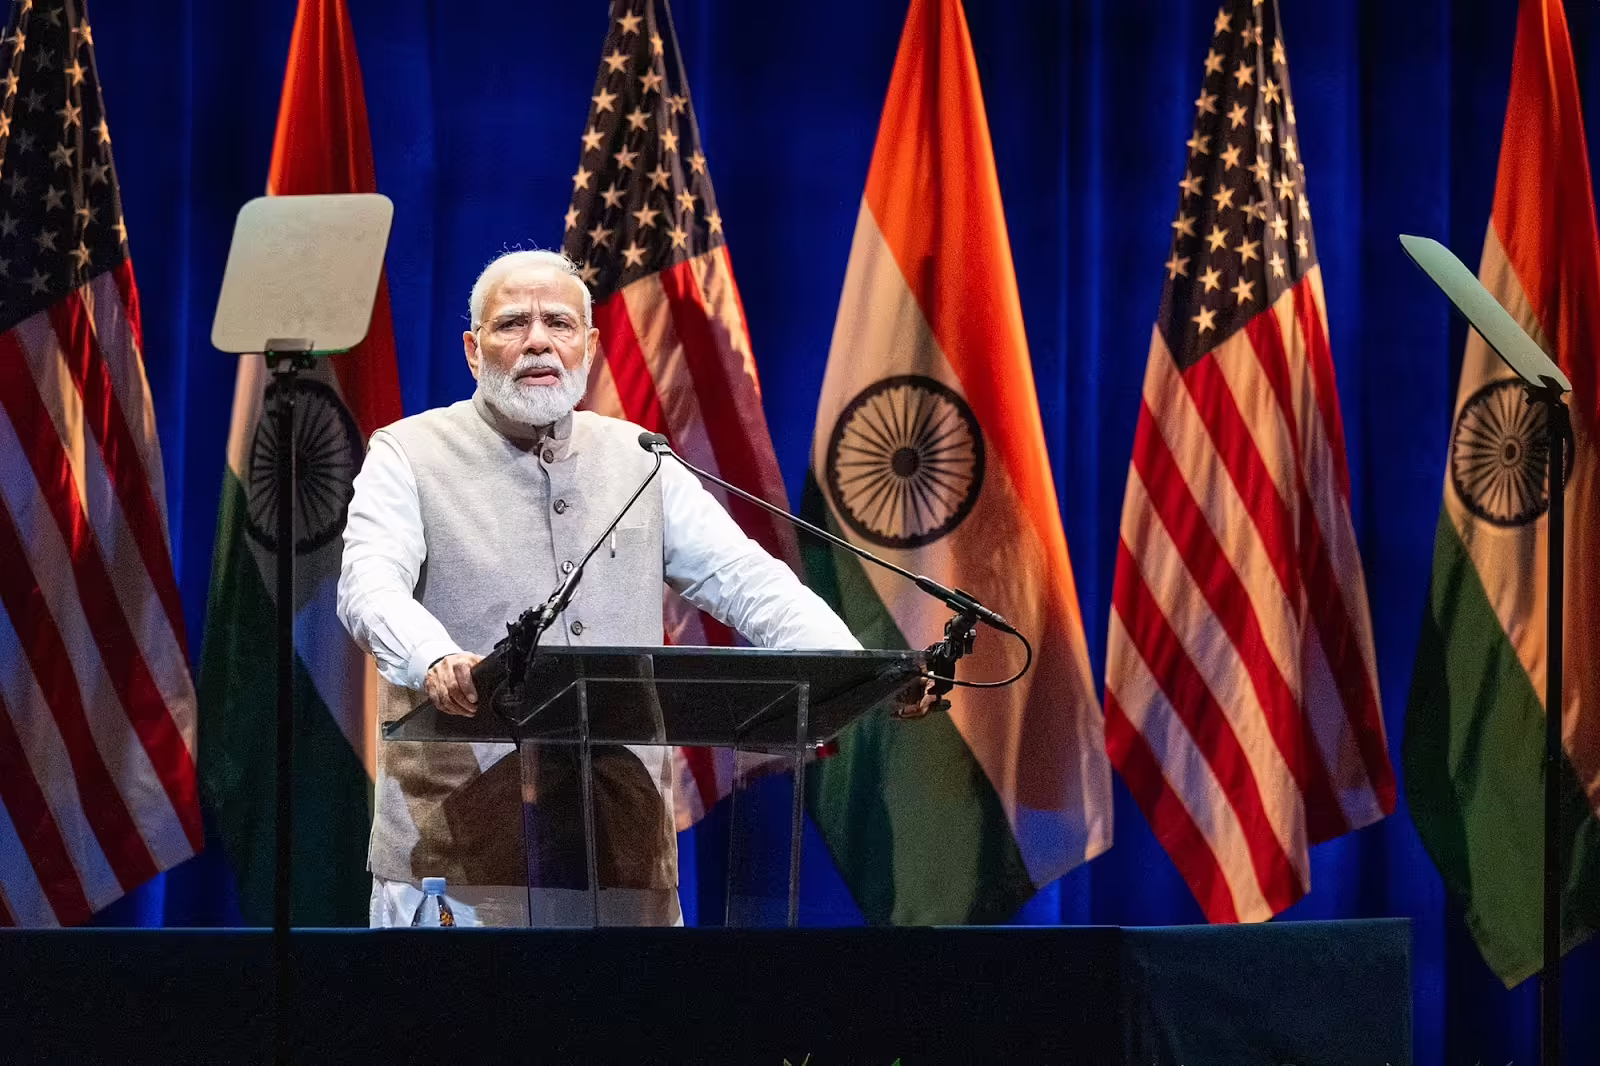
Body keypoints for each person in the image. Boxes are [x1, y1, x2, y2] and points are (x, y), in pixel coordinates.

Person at [336, 249, 860, 927]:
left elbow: (747, 579)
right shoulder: (408, 453)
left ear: (589, 345)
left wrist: (847, 669)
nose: (536, 342)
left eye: (558, 323)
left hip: (622, 848)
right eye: (511, 325)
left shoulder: (641, 457)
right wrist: (431, 657)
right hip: (460, 854)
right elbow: (369, 584)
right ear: (473, 350)